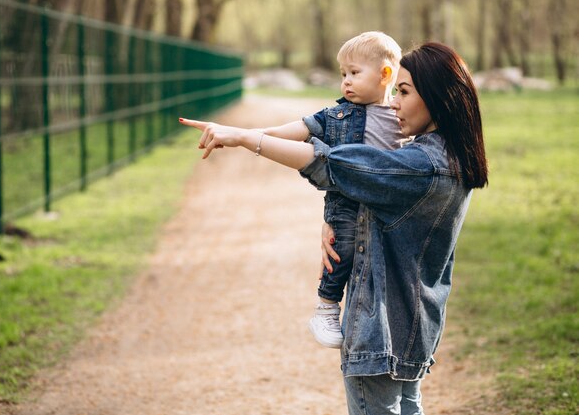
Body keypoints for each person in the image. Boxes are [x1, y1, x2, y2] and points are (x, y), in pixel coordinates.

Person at [180, 42, 488, 415]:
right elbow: (377, 202)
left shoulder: (421, 164)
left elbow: (331, 162)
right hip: (415, 324)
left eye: (404, 93)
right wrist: (337, 223)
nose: (394, 103)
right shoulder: (452, 157)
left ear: (438, 97)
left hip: (381, 327)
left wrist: (247, 138)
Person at [251, 31, 405, 349]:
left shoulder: (402, 115)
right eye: (343, 74)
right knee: (342, 248)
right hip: (347, 202)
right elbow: (299, 129)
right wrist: (253, 135)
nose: (345, 82)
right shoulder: (337, 115)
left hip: (385, 202)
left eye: (354, 73)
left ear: (385, 74)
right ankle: (326, 307)